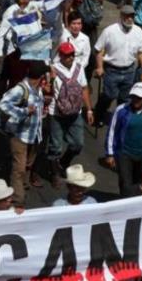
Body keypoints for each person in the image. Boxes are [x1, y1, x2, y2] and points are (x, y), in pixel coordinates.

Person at [52, 164, 96, 281]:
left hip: (85, 259)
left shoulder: (92, 204)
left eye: (82, 187)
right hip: (63, 259)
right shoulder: (58, 206)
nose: (79, 191)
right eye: (75, 187)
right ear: (69, 187)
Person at [0, 61, 48, 209]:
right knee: (18, 169)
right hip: (19, 135)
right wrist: (23, 112)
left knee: (27, 164)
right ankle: (18, 201)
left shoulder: (37, 88)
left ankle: (21, 184)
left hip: (33, 135)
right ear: (39, 76)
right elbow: (3, 104)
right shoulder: (20, 89)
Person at [92, 5, 142, 126]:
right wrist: (100, 67)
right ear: (121, 16)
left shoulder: (138, 31)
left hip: (129, 70)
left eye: (132, 16)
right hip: (112, 70)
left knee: (125, 98)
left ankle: (121, 119)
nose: (130, 19)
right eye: (127, 16)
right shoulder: (109, 31)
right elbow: (98, 50)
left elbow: (141, 52)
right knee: (109, 95)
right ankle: (98, 114)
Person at [48, 42, 94, 185]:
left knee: (77, 144)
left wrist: (89, 109)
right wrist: (51, 78)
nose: (70, 58)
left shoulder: (78, 68)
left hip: (75, 112)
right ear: (60, 55)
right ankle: (55, 173)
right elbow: (46, 91)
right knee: (56, 146)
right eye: (67, 55)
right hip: (56, 113)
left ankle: (63, 162)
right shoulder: (53, 69)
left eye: (72, 55)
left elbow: (84, 88)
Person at [105, 82, 142, 197]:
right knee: (126, 184)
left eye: (139, 98)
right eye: (133, 97)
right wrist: (110, 154)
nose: (136, 100)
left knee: (139, 183)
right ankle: (124, 204)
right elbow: (112, 131)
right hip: (124, 154)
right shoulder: (121, 110)